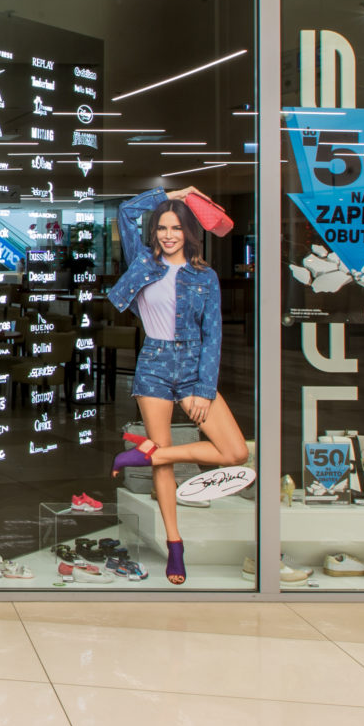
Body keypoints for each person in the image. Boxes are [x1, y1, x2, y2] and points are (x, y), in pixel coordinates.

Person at [106, 186, 251, 585]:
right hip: (153, 363)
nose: (168, 235)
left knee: (235, 451)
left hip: (191, 366)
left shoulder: (205, 277)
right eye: (161, 228)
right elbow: (127, 208)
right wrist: (175, 193)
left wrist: (204, 388)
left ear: (189, 232)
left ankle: (142, 455)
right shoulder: (143, 261)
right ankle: (175, 545)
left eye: (176, 228)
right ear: (153, 233)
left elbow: (213, 335)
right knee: (164, 462)